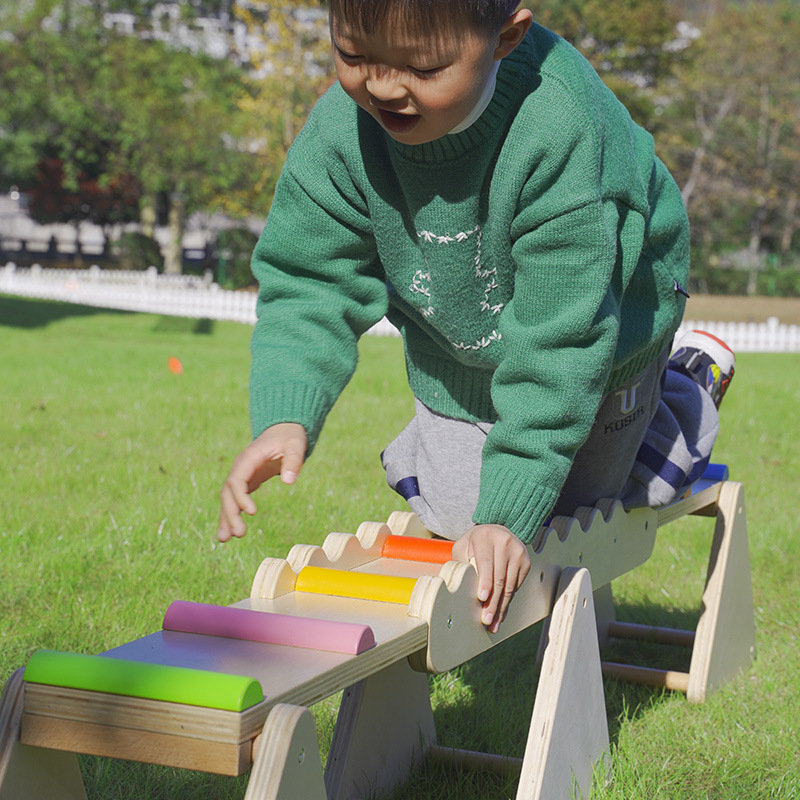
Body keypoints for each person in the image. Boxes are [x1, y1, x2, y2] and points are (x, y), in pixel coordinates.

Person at [218, 0, 735, 632]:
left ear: (505, 38)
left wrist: (512, 514)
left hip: (604, 344)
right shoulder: (339, 133)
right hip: (463, 352)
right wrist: (285, 415)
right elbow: (309, 279)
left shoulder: (562, 127)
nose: (382, 86)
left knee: (583, 513)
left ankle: (685, 390)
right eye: (353, 55)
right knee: (463, 517)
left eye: (425, 67)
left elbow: (561, 342)